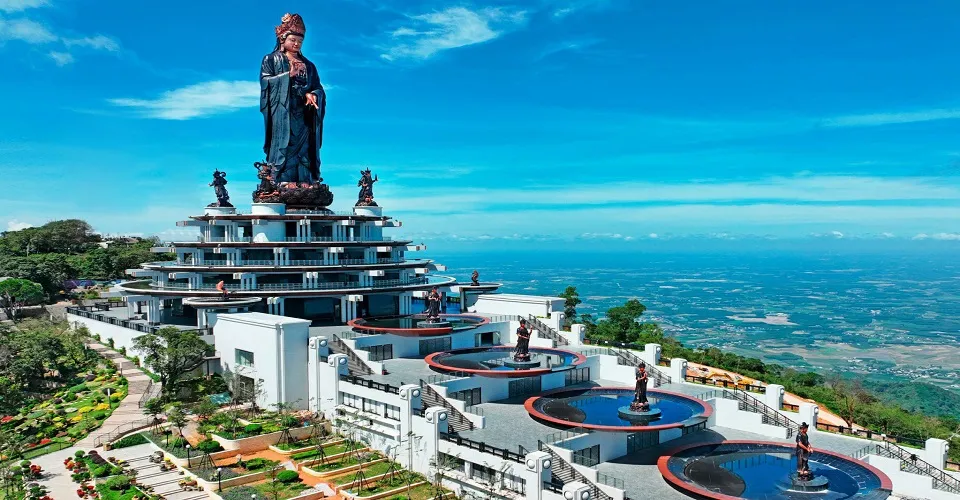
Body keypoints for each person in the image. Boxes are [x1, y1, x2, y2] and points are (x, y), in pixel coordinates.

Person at [260, 13, 327, 185]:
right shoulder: (271, 59)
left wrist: (313, 94)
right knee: (285, 144)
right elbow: (265, 82)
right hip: (283, 111)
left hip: (304, 112)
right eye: (293, 40)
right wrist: (287, 76)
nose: (296, 44)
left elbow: (317, 87)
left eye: (300, 41)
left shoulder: (309, 65)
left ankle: (305, 179)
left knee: (305, 146)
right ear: (283, 39)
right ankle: (282, 179)